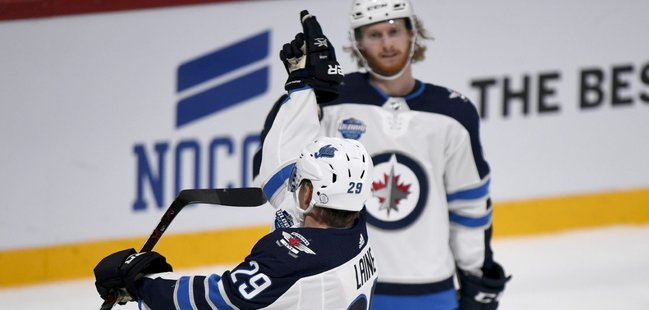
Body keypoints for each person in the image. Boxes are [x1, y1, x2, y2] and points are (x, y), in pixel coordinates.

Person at [94, 10, 379, 310]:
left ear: (309, 194)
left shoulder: (288, 260)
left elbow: (219, 299)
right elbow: (279, 171)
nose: (295, 187)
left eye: (302, 183)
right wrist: (303, 91)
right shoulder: (352, 226)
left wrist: (142, 287)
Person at [254, 1, 510, 309]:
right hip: (346, 284)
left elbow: (468, 206)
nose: (387, 44)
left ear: (413, 33)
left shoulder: (454, 113)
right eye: (374, 35)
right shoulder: (332, 100)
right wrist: (303, 92)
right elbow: (272, 167)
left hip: (431, 291)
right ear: (357, 42)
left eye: (394, 31)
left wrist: (476, 276)